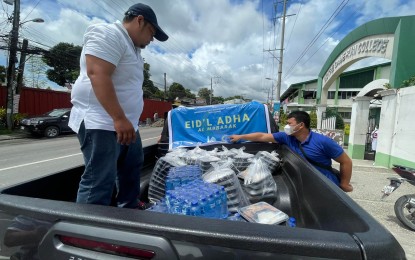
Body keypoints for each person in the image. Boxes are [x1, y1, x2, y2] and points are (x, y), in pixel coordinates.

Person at [68, 3, 168, 208]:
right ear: (139, 20)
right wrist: (119, 118)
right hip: (102, 121)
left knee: (131, 168)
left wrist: (126, 120)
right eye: (151, 33)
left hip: (126, 123)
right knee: (100, 178)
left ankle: (129, 208)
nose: (152, 40)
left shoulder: (133, 49)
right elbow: (97, 73)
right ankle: (89, 231)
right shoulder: (108, 33)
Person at [229, 111, 353, 192]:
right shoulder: (286, 137)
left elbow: (346, 161)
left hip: (325, 185)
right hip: (303, 184)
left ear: (301, 125)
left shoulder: (323, 142)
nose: (286, 126)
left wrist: (344, 184)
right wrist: (241, 137)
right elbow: (262, 136)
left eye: (289, 123)